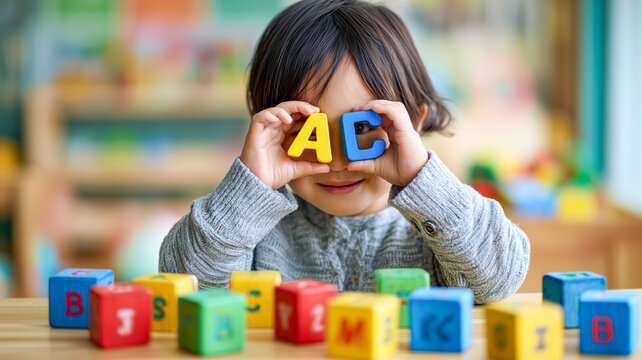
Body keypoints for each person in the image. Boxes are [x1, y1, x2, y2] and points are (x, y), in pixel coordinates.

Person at [159, 0, 530, 303]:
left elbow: (499, 277)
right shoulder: (252, 230)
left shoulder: (441, 228)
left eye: (362, 130)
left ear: (412, 125)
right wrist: (249, 188)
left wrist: (421, 178)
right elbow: (183, 284)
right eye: (309, 132)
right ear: (271, 130)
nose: (336, 163)